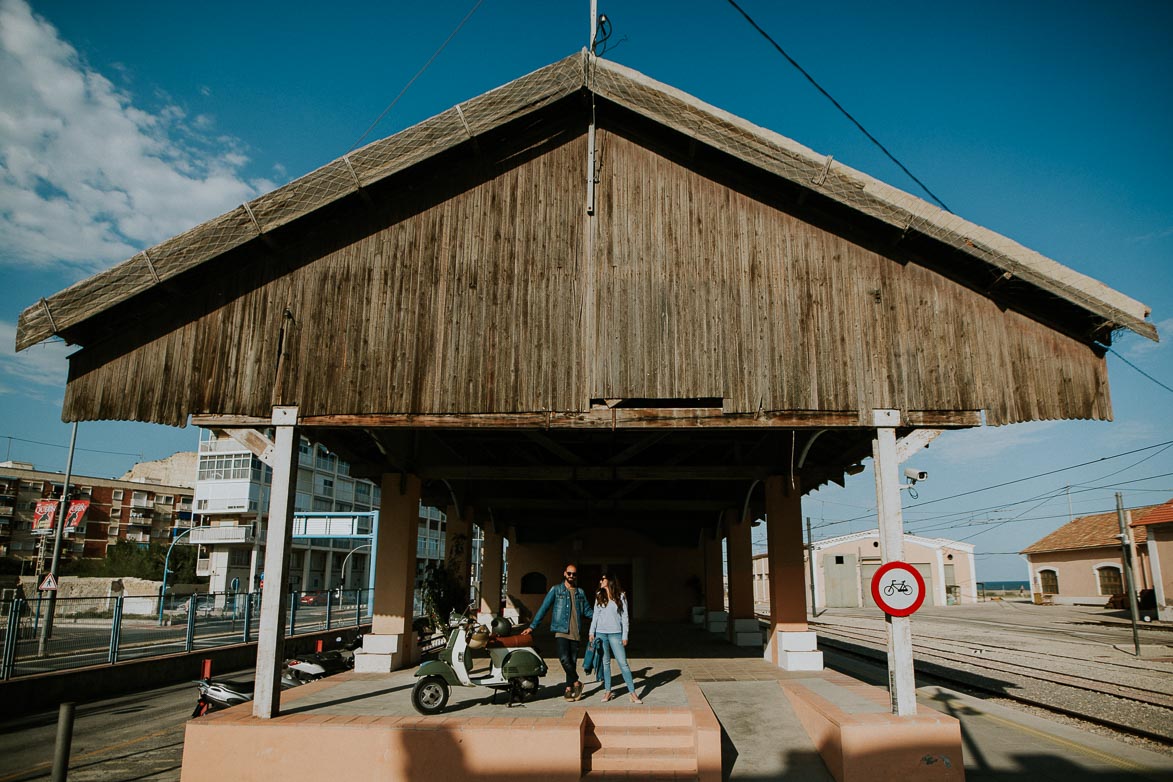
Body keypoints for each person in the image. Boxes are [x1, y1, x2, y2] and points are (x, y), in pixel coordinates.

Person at [523, 563, 593, 701]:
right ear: (564, 574)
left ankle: (568, 688)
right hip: (561, 631)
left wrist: (603, 618)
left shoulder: (580, 592)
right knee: (564, 659)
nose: (571, 576)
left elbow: (588, 611)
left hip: (576, 632)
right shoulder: (556, 590)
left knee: (572, 662)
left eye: (574, 574)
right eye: (569, 573)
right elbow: (544, 608)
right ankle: (577, 682)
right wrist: (532, 626)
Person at [588, 573, 642, 703]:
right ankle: (608, 691)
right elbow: (595, 615)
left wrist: (625, 635)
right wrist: (591, 632)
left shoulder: (621, 595)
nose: (600, 581)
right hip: (601, 633)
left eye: (603, 579)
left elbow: (625, 617)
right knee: (605, 664)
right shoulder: (599, 595)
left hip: (615, 633)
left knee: (623, 663)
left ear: (610, 581)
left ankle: (633, 693)